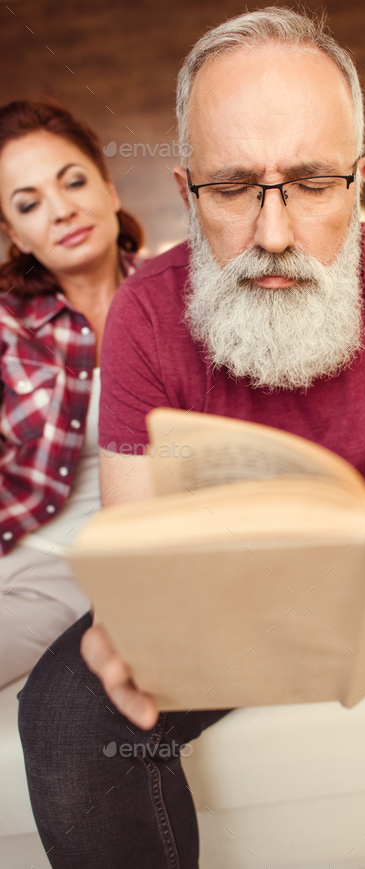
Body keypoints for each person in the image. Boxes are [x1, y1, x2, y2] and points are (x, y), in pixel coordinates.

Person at [17, 10, 365, 869]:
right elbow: (134, 550)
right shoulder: (141, 313)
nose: (274, 234)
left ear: (357, 183)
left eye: (313, 184)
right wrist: (137, 620)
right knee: (65, 710)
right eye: (235, 187)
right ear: (185, 191)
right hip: (228, 616)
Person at [0, 99, 146, 687]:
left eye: (74, 182)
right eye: (30, 204)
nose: (60, 211)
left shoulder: (183, 301)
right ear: (17, 236)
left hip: (70, 568)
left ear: (110, 190)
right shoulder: (7, 324)